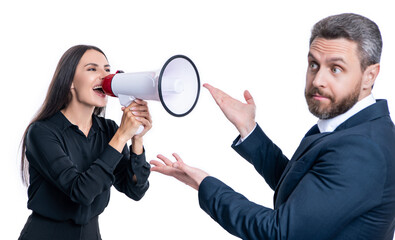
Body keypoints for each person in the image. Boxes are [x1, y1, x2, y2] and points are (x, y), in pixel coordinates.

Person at [150, 13, 395, 239]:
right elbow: (304, 190)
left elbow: (280, 233)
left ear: (370, 75)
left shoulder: (363, 149)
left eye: (336, 68)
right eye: (313, 64)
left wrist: (205, 185)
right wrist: (249, 129)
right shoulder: (349, 126)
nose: (318, 80)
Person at [18, 45, 152, 240]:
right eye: (92, 69)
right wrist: (121, 136)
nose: (105, 76)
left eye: (107, 69)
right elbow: (81, 192)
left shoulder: (109, 130)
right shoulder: (41, 132)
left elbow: (135, 190)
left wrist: (136, 138)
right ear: (70, 81)